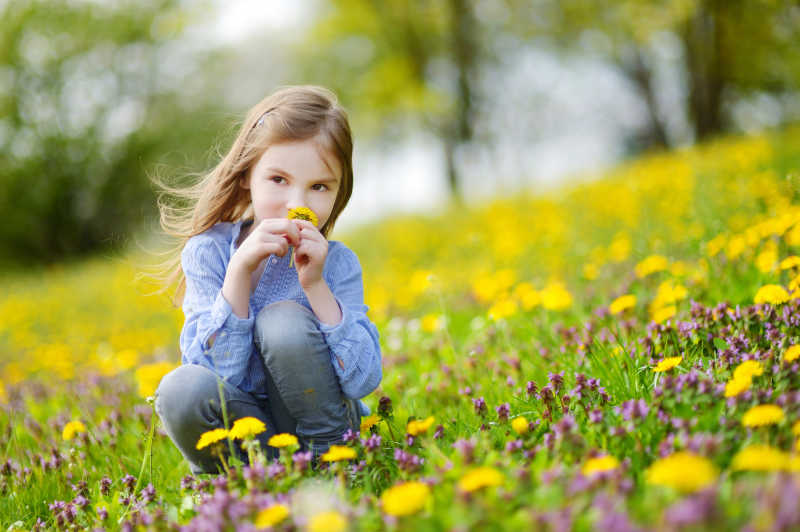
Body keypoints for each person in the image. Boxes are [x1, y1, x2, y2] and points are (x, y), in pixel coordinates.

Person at [152, 85, 382, 474]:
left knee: (282, 320)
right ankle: (254, 481)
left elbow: (363, 379)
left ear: (339, 191)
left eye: (319, 187)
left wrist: (316, 287)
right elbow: (214, 375)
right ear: (247, 175)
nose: (298, 204)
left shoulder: (337, 263)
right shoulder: (207, 252)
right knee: (179, 388)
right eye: (278, 179)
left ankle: (332, 466)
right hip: (250, 434)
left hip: (323, 429)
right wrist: (239, 273)